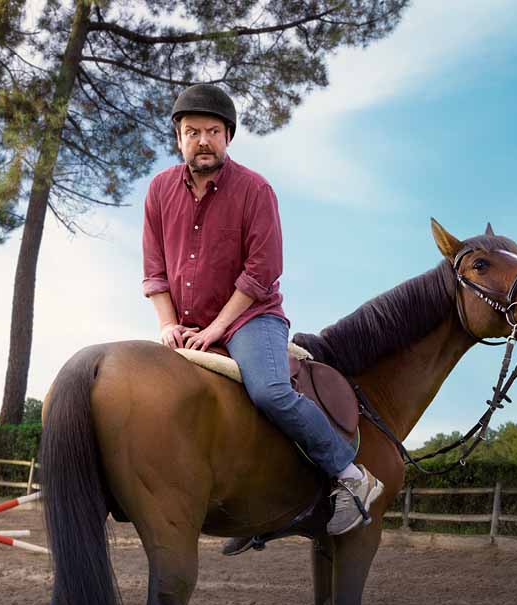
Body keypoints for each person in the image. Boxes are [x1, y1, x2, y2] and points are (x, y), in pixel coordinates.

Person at [142, 83, 382, 537]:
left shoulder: (255, 190)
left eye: (212, 131)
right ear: (178, 137)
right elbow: (154, 271)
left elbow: (261, 273)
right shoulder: (158, 191)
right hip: (186, 322)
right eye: (192, 132)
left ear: (228, 136)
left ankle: (350, 474)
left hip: (251, 317)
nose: (203, 141)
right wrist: (168, 325)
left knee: (270, 392)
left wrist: (214, 329)